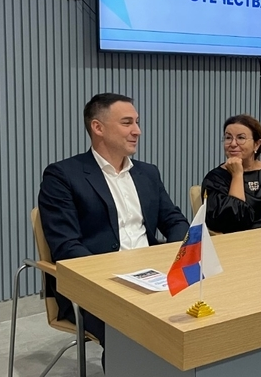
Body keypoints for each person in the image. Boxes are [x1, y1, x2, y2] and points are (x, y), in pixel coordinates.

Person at [38, 93, 190, 366]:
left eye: (137, 122)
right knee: (137, 331)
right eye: (127, 123)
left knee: (201, 313)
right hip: (96, 285)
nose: (137, 131)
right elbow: (66, 246)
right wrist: (115, 281)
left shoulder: (148, 173)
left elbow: (175, 221)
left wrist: (176, 259)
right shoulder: (63, 175)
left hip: (154, 275)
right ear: (98, 128)